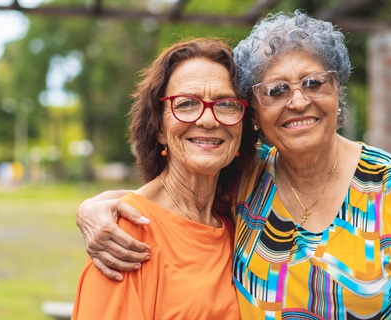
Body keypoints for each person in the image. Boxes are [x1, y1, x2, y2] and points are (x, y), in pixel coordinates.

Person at [76, 11, 391, 319]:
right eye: (276, 90)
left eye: (314, 82)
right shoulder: (251, 180)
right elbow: (174, 206)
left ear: (338, 90)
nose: (299, 100)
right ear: (255, 114)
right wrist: (93, 208)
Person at [71, 38, 258, 319]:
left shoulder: (240, 222)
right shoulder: (124, 236)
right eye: (186, 104)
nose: (208, 120)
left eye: (227, 104)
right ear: (158, 127)